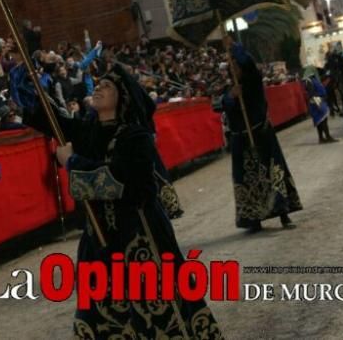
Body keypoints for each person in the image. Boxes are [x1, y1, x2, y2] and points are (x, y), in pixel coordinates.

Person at [28, 62, 223, 337]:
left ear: (123, 98)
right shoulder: (87, 131)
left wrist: (73, 162)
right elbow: (48, 119)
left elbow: (126, 183)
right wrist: (29, 86)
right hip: (99, 238)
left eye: (107, 86)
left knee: (156, 309)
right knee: (103, 314)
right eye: (98, 85)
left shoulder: (137, 137)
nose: (98, 89)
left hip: (139, 237)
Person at [217, 38, 302, 233]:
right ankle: (253, 218)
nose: (235, 68)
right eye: (233, 66)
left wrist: (233, 47)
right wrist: (230, 97)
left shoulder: (253, 80)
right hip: (241, 139)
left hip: (261, 134)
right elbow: (218, 105)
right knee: (247, 179)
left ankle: (283, 213)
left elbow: (247, 61)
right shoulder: (230, 89)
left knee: (272, 174)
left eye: (237, 65)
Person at [303, 66, 336, 144]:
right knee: (322, 120)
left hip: (319, 101)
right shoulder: (309, 80)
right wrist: (317, 102)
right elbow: (311, 93)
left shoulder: (313, 79)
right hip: (316, 102)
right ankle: (327, 137)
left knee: (320, 121)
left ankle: (322, 138)